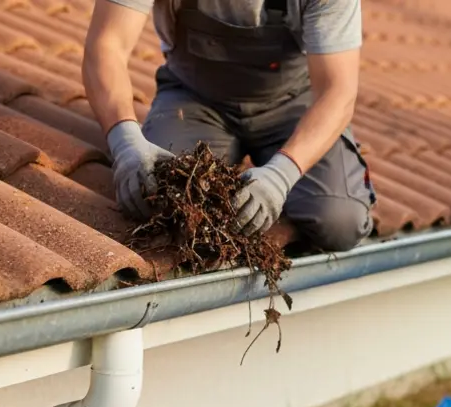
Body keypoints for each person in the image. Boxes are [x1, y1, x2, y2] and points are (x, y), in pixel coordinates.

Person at [82, 0, 377, 253]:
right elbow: (107, 46)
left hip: (292, 108)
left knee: (340, 220)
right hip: (195, 99)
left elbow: (337, 92)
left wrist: (281, 176)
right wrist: (125, 140)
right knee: (158, 195)